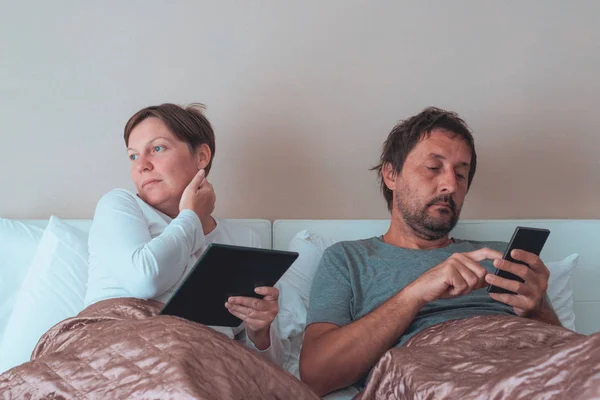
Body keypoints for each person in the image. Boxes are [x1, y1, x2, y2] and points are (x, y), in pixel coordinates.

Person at [299, 107, 561, 395]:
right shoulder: (348, 259)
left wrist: (539, 309)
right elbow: (315, 374)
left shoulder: (501, 256)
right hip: (433, 368)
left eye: (461, 175)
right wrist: (417, 292)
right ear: (391, 174)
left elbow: (561, 347)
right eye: (434, 168)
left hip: (530, 362)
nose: (450, 184)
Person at [85, 103, 283, 364]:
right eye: (133, 156)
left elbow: (273, 367)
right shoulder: (119, 205)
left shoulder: (245, 240)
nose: (142, 165)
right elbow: (145, 280)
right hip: (116, 348)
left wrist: (260, 332)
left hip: (207, 361)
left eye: (157, 148)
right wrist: (191, 216)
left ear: (202, 156)